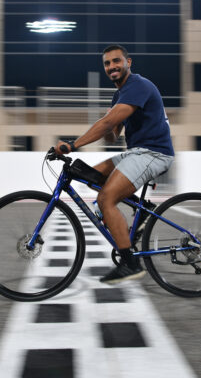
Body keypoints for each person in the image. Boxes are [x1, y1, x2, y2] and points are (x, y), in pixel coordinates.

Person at [55, 44, 174, 284]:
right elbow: (112, 135)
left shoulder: (138, 85)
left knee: (106, 199)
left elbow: (107, 124)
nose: (112, 66)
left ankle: (130, 264)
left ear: (128, 62)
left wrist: (73, 145)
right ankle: (142, 209)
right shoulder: (120, 95)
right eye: (107, 63)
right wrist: (111, 120)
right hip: (136, 152)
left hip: (154, 153)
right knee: (88, 175)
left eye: (116, 61)